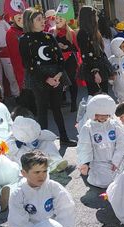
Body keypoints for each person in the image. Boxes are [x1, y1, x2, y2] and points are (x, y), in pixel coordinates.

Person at [0, 151, 77, 227]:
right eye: (36, 172)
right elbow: (18, 220)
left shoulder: (53, 187)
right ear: (24, 173)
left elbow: (66, 208)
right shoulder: (18, 194)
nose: (41, 176)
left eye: (44, 171)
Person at [19, 8, 76, 146]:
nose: (43, 21)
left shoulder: (49, 37)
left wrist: (58, 75)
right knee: (42, 109)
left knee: (57, 108)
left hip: (56, 76)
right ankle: (43, 142)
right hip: (38, 78)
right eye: (38, 19)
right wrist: (46, 78)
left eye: (42, 18)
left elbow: (60, 58)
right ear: (30, 22)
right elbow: (28, 63)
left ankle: (64, 137)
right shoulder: (24, 39)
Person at [77, 95, 124, 188]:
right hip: (99, 163)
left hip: (116, 161)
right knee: (105, 182)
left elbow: (122, 144)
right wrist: (85, 163)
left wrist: (116, 161)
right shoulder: (88, 127)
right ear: (94, 113)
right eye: (101, 115)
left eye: (106, 115)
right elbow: (84, 147)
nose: (104, 117)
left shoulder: (114, 124)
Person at [77, 6, 113, 96]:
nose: (97, 18)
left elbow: (101, 52)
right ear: (89, 17)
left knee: (104, 96)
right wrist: (95, 72)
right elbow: (85, 55)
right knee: (96, 99)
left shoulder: (95, 32)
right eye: (95, 15)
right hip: (92, 69)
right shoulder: (83, 33)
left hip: (101, 66)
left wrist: (110, 70)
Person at [53, 1, 79, 112]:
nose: (58, 21)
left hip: (70, 60)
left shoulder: (71, 33)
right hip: (58, 61)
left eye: (60, 19)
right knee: (59, 82)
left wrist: (66, 47)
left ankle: (74, 102)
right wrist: (57, 47)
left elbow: (76, 48)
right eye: (57, 19)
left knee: (72, 81)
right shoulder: (52, 33)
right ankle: (60, 102)